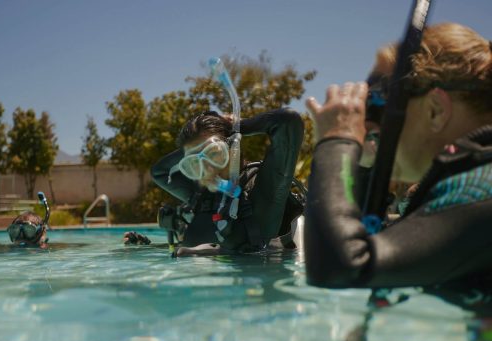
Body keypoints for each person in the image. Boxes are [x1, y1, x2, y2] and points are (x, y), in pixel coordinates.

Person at [304, 22, 492, 288]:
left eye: (379, 106)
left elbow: (341, 268)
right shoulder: (469, 179)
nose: (368, 126)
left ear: (436, 110)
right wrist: (365, 163)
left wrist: (337, 139)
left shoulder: (481, 190)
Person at [151, 108, 305, 256]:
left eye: (214, 153)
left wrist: (236, 128)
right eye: (194, 163)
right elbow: (159, 172)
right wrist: (191, 150)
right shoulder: (201, 196)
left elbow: (287, 122)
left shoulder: (263, 192)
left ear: (233, 147)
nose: (208, 170)